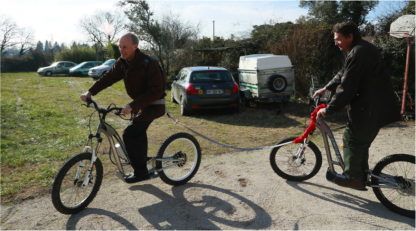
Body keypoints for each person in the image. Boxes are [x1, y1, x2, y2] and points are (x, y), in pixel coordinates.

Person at [313, 21, 401, 190]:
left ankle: (354, 178)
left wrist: (328, 109)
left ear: (350, 36)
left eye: (338, 39)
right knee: (357, 141)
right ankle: (361, 173)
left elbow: (347, 87)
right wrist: (326, 88)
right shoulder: (361, 49)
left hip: (369, 108)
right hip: (374, 106)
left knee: (352, 141)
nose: (336, 43)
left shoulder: (358, 53)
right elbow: (344, 73)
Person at [80, 33, 165, 183]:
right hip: (140, 105)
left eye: (124, 47)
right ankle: (142, 162)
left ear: (135, 46)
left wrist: (132, 106)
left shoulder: (148, 64)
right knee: (138, 132)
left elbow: (155, 91)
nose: (121, 50)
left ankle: (141, 172)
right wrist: (90, 92)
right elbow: (108, 77)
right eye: (120, 46)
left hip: (154, 106)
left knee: (129, 134)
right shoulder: (123, 62)